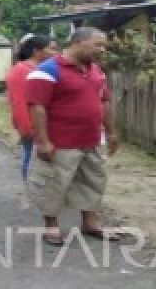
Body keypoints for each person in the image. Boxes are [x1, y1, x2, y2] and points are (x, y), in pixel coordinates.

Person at [25, 27, 121, 245]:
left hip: (92, 139)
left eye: (104, 46)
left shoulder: (96, 70)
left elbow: (104, 101)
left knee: (93, 181)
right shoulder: (47, 70)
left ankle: (90, 222)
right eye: (98, 45)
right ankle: (51, 225)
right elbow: (36, 106)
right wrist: (42, 141)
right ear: (77, 42)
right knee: (54, 183)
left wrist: (112, 132)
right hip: (60, 142)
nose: (103, 50)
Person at [6, 34, 57, 182]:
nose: (56, 53)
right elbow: (19, 102)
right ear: (37, 51)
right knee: (31, 160)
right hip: (32, 126)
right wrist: (27, 129)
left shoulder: (38, 69)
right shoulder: (22, 70)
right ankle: (31, 192)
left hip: (41, 125)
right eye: (52, 49)